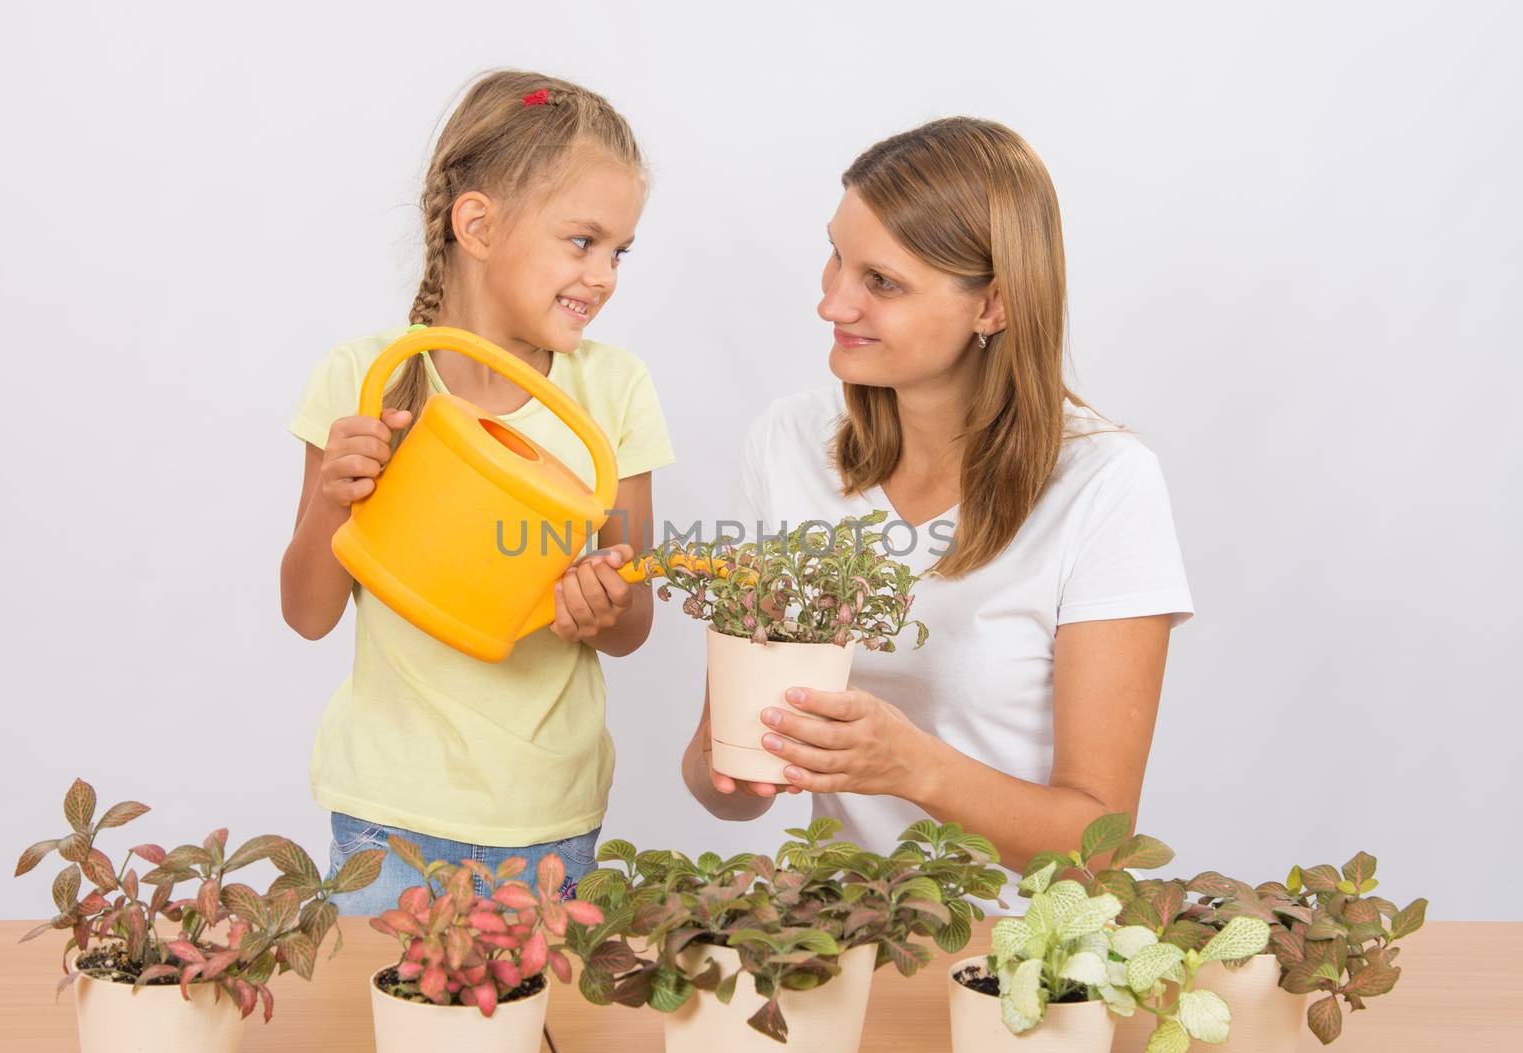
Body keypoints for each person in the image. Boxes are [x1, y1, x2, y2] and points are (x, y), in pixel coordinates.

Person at [683, 118, 1192, 875]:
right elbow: (718, 787)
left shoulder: (1107, 486)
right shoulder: (788, 443)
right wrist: (739, 764)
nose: (832, 304)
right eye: (836, 256)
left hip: (1016, 958)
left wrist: (913, 765)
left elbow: (1100, 846)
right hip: (838, 937)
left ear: (993, 306)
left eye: (880, 282)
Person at [281, 71, 673, 911]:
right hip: (384, 819)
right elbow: (308, 612)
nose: (603, 276)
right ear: (479, 224)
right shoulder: (365, 380)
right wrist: (333, 501)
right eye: (582, 241)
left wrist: (605, 604)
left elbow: (634, 623)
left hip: (551, 822)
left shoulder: (616, 390)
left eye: (619, 252)